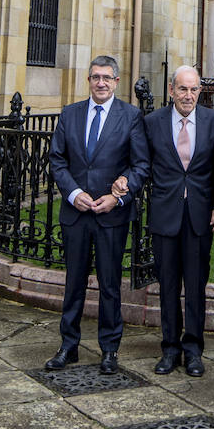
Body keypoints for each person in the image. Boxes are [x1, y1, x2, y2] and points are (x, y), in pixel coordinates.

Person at [47, 56, 149, 374]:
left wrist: (118, 196)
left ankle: (109, 349)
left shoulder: (131, 116)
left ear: (116, 82)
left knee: (109, 283)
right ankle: (68, 345)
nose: (101, 83)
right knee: (74, 282)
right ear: (88, 80)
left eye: (106, 77)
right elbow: (57, 160)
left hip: (111, 215)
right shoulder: (70, 114)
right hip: (76, 214)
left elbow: (140, 165)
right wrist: (74, 194)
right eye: (95, 77)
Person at [143, 65, 214, 376]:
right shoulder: (152, 122)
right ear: (171, 89)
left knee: (195, 285)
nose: (188, 95)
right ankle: (169, 349)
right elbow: (143, 163)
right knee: (166, 286)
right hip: (165, 214)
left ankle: (193, 350)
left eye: (193, 90)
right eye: (182, 89)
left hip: (200, 217)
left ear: (199, 92)